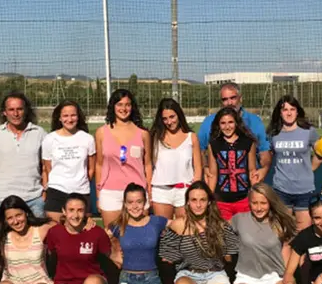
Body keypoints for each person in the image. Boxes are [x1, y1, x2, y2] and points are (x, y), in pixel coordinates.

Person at [159, 181, 239, 284]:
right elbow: (167, 258)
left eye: (202, 200)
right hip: (189, 274)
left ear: (209, 202)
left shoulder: (220, 225)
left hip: (215, 272)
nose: (198, 205)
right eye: (193, 200)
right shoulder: (178, 225)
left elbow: (230, 257)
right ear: (187, 202)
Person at [230, 183, 298, 284]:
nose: (259, 207)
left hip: (274, 278)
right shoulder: (239, 220)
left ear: (270, 203)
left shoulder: (281, 222)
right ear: (249, 202)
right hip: (247, 278)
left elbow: (287, 250)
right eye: (254, 203)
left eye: (263, 203)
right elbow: (220, 234)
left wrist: (289, 281)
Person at [45, 194, 111, 284]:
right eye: (71, 210)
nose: (75, 215)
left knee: (93, 283)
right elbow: (51, 257)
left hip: (92, 283)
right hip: (67, 283)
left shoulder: (96, 232)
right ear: (64, 211)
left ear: (86, 212)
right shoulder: (55, 233)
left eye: (80, 210)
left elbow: (108, 258)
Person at [109, 183, 168, 284]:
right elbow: (96, 237)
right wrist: (113, 253)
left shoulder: (157, 222)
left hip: (151, 278)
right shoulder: (117, 225)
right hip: (127, 279)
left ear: (145, 202)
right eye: (130, 202)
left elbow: (181, 226)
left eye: (139, 201)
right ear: (125, 204)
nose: (134, 206)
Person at [96, 89, 152, 228]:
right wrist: (98, 194)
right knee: (112, 237)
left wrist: (149, 192)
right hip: (110, 192)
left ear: (132, 107)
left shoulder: (143, 134)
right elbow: (99, 165)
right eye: (119, 104)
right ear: (113, 107)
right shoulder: (102, 132)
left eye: (127, 105)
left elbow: (148, 165)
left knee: (140, 236)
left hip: (137, 193)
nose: (123, 108)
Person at [0, 92, 47, 217]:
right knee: (3, 237)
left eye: (19, 109)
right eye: (11, 110)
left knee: (39, 237)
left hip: (35, 199)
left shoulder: (39, 133)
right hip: (5, 200)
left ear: (25, 110)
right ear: (4, 112)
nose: (16, 114)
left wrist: (45, 191)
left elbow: (46, 166)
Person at [198, 82, 271, 182]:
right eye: (225, 99)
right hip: (219, 183)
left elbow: (264, 151)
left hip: (248, 182)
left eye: (233, 98)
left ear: (240, 98)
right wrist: (205, 167)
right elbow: (200, 150)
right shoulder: (209, 122)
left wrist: (264, 169)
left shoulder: (254, 121)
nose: (229, 103)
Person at [267, 95, 319, 230]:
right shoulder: (274, 133)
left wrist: (310, 169)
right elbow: (269, 155)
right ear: (279, 112)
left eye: (292, 109)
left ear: (297, 111)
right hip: (281, 188)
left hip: (304, 189)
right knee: (284, 231)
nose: (289, 113)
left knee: (304, 232)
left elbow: (320, 154)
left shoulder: (308, 131)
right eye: (285, 110)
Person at [42, 100, 96, 222]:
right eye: (65, 116)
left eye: (73, 115)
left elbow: (91, 168)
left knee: (82, 235)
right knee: (56, 233)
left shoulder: (87, 139)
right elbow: (48, 168)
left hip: (81, 192)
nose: (69, 119)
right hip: (57, 192)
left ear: (78, 116)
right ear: (59, 118)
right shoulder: (49, 139)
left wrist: (80, 182)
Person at [149, 98, 202, 219]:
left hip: (184, 190)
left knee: (185, 232)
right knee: (163, 233)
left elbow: (198, 168)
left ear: (179, 115)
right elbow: (147, 165)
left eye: (172, 117)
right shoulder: (155, 137)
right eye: (165, 119)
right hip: (161, 191)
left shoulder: (191, 137)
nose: (169, 122)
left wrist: (195, 191)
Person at [207, 107, 258, 221]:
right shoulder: (214, 144)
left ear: (236, 123)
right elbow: (213, 174)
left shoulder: (248, 143)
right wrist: (209, 197)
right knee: (225, 234)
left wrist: (255, 194)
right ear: (218, 125)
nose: (227, 126)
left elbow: (252, 171)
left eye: (230, 122)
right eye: (223, 123)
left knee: (244, 234)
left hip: (243, 200)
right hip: (222, 201)